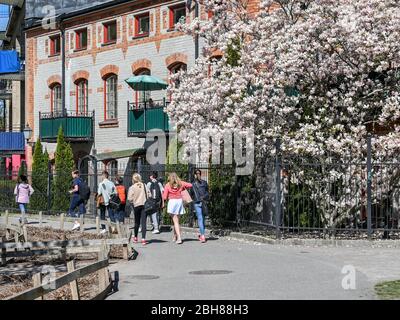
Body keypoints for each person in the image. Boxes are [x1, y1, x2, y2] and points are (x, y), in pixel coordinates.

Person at [162, 172, 192, 245]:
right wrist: (183, 187)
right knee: (176, 220)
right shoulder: (181, 183)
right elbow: (190, 185)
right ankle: (175, 236)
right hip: (179, 202)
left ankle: (179, 238)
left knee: (175, 221)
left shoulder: (167, 185)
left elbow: (165, 197)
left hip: (172, 202)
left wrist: (163, 193)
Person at [128, 173, 151, 245]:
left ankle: (135, 237)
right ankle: (143, 239)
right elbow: (149, 195)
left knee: (137, 221)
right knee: (143, 222)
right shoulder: (144, 185)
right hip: (144, 205)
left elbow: (129, 198)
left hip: (136, 205)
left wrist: (133, 201)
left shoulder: (132, 187)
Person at [191, 169, 210, 243]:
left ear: (195, 175)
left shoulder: (192, 184)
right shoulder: (205, 183)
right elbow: (208, 193)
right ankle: (202, 234)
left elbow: (191, 194)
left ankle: (202, 235)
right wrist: (204, 197)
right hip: (204, 202)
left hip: (197, 202)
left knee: (200, 219)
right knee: (203, 219)